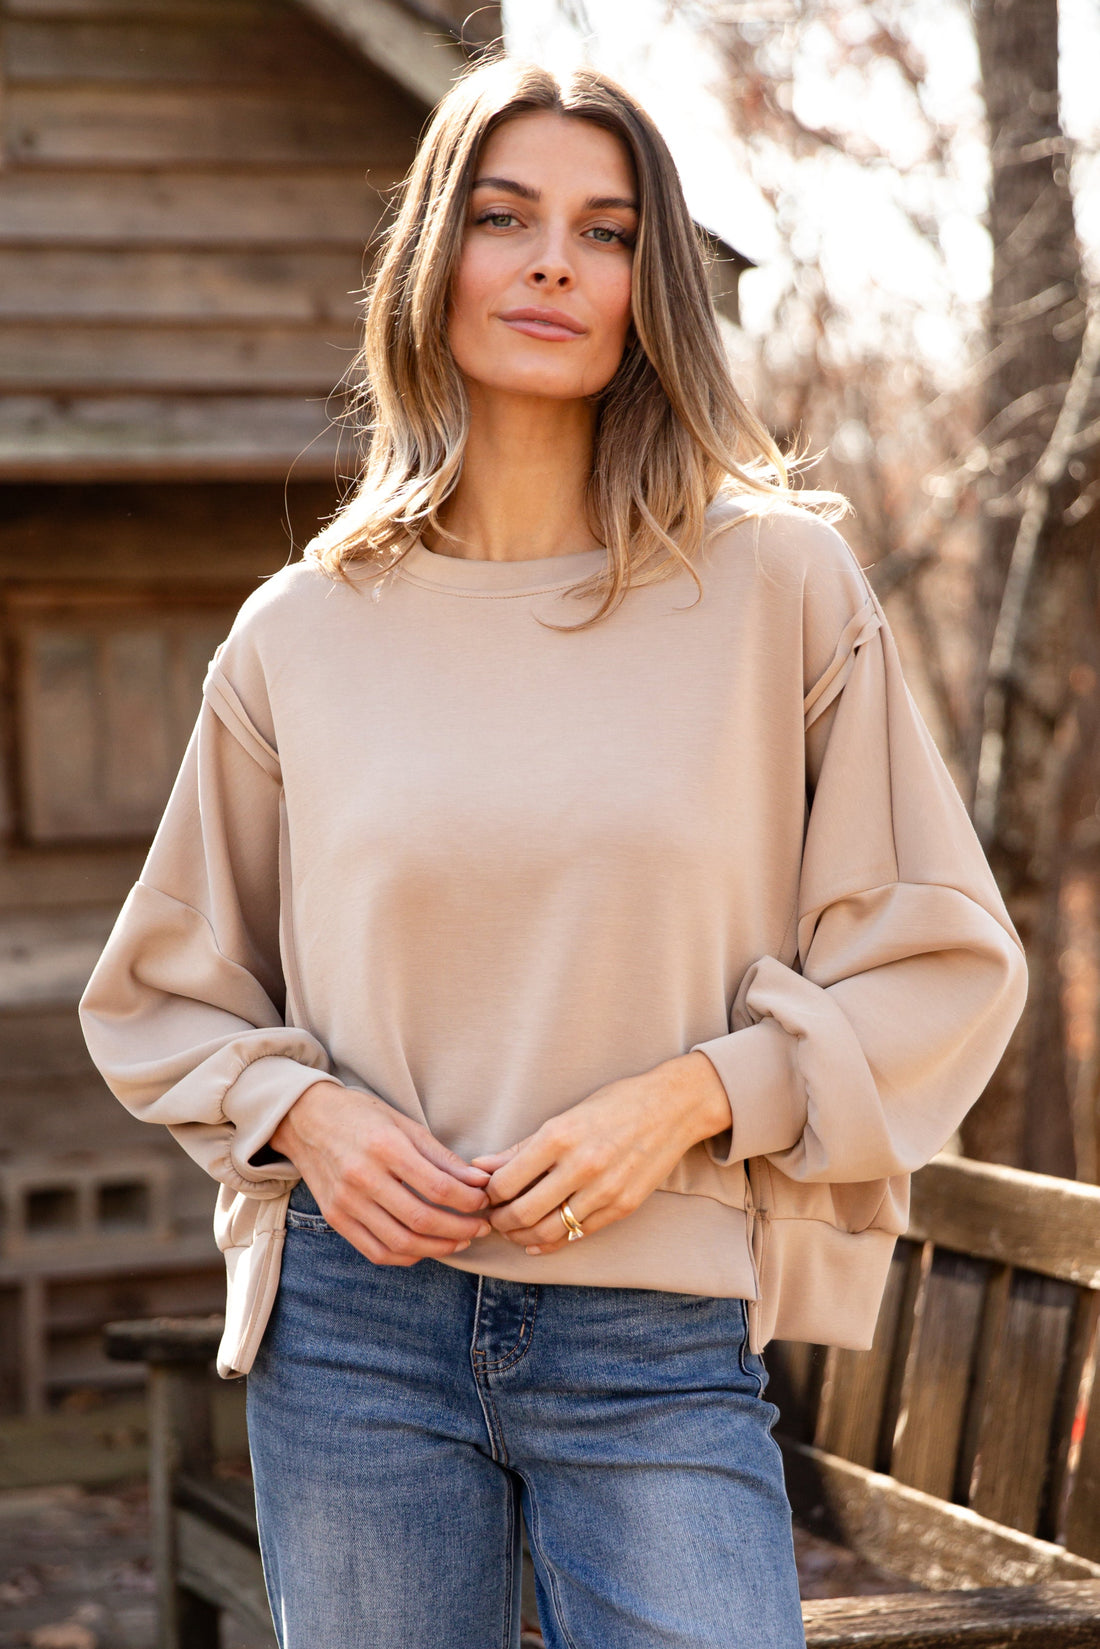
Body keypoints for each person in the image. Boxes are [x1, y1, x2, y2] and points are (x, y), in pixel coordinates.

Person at [78, 54, 1028, 1649]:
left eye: (602, 230)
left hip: (656, 1334)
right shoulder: (301, 633)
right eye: (505, 217)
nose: (548, 264)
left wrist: (695, 1095)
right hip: (356, 1339)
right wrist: (301, 1113)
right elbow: (162, 996)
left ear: (646, 284)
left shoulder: (778, 590)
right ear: (432, 258)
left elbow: (943, 965)